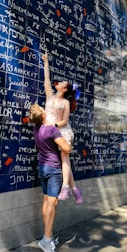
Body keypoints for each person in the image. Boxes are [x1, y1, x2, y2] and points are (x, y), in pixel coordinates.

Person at [29, 103, 72, 252]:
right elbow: (66, 149)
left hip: (42, 168)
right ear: (43, 115)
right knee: (52, 204)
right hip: (53, 170)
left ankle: (49, 235)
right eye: (43, 109)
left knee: (47, 200)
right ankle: (46, 240)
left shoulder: (36, 129)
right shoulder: (52, 130)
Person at [42, 52, 83, 204]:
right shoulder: (49, 96)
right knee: (63, 160)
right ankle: (75, 190)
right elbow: (47, 79)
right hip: (52, 132)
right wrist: (46, 62)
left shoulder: (65, 103)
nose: (57, 83)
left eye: (61, 83)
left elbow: (65, 121)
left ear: (64, 89)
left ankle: (65, 187)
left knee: (64, 157)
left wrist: (53, 125)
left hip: (62, 131)